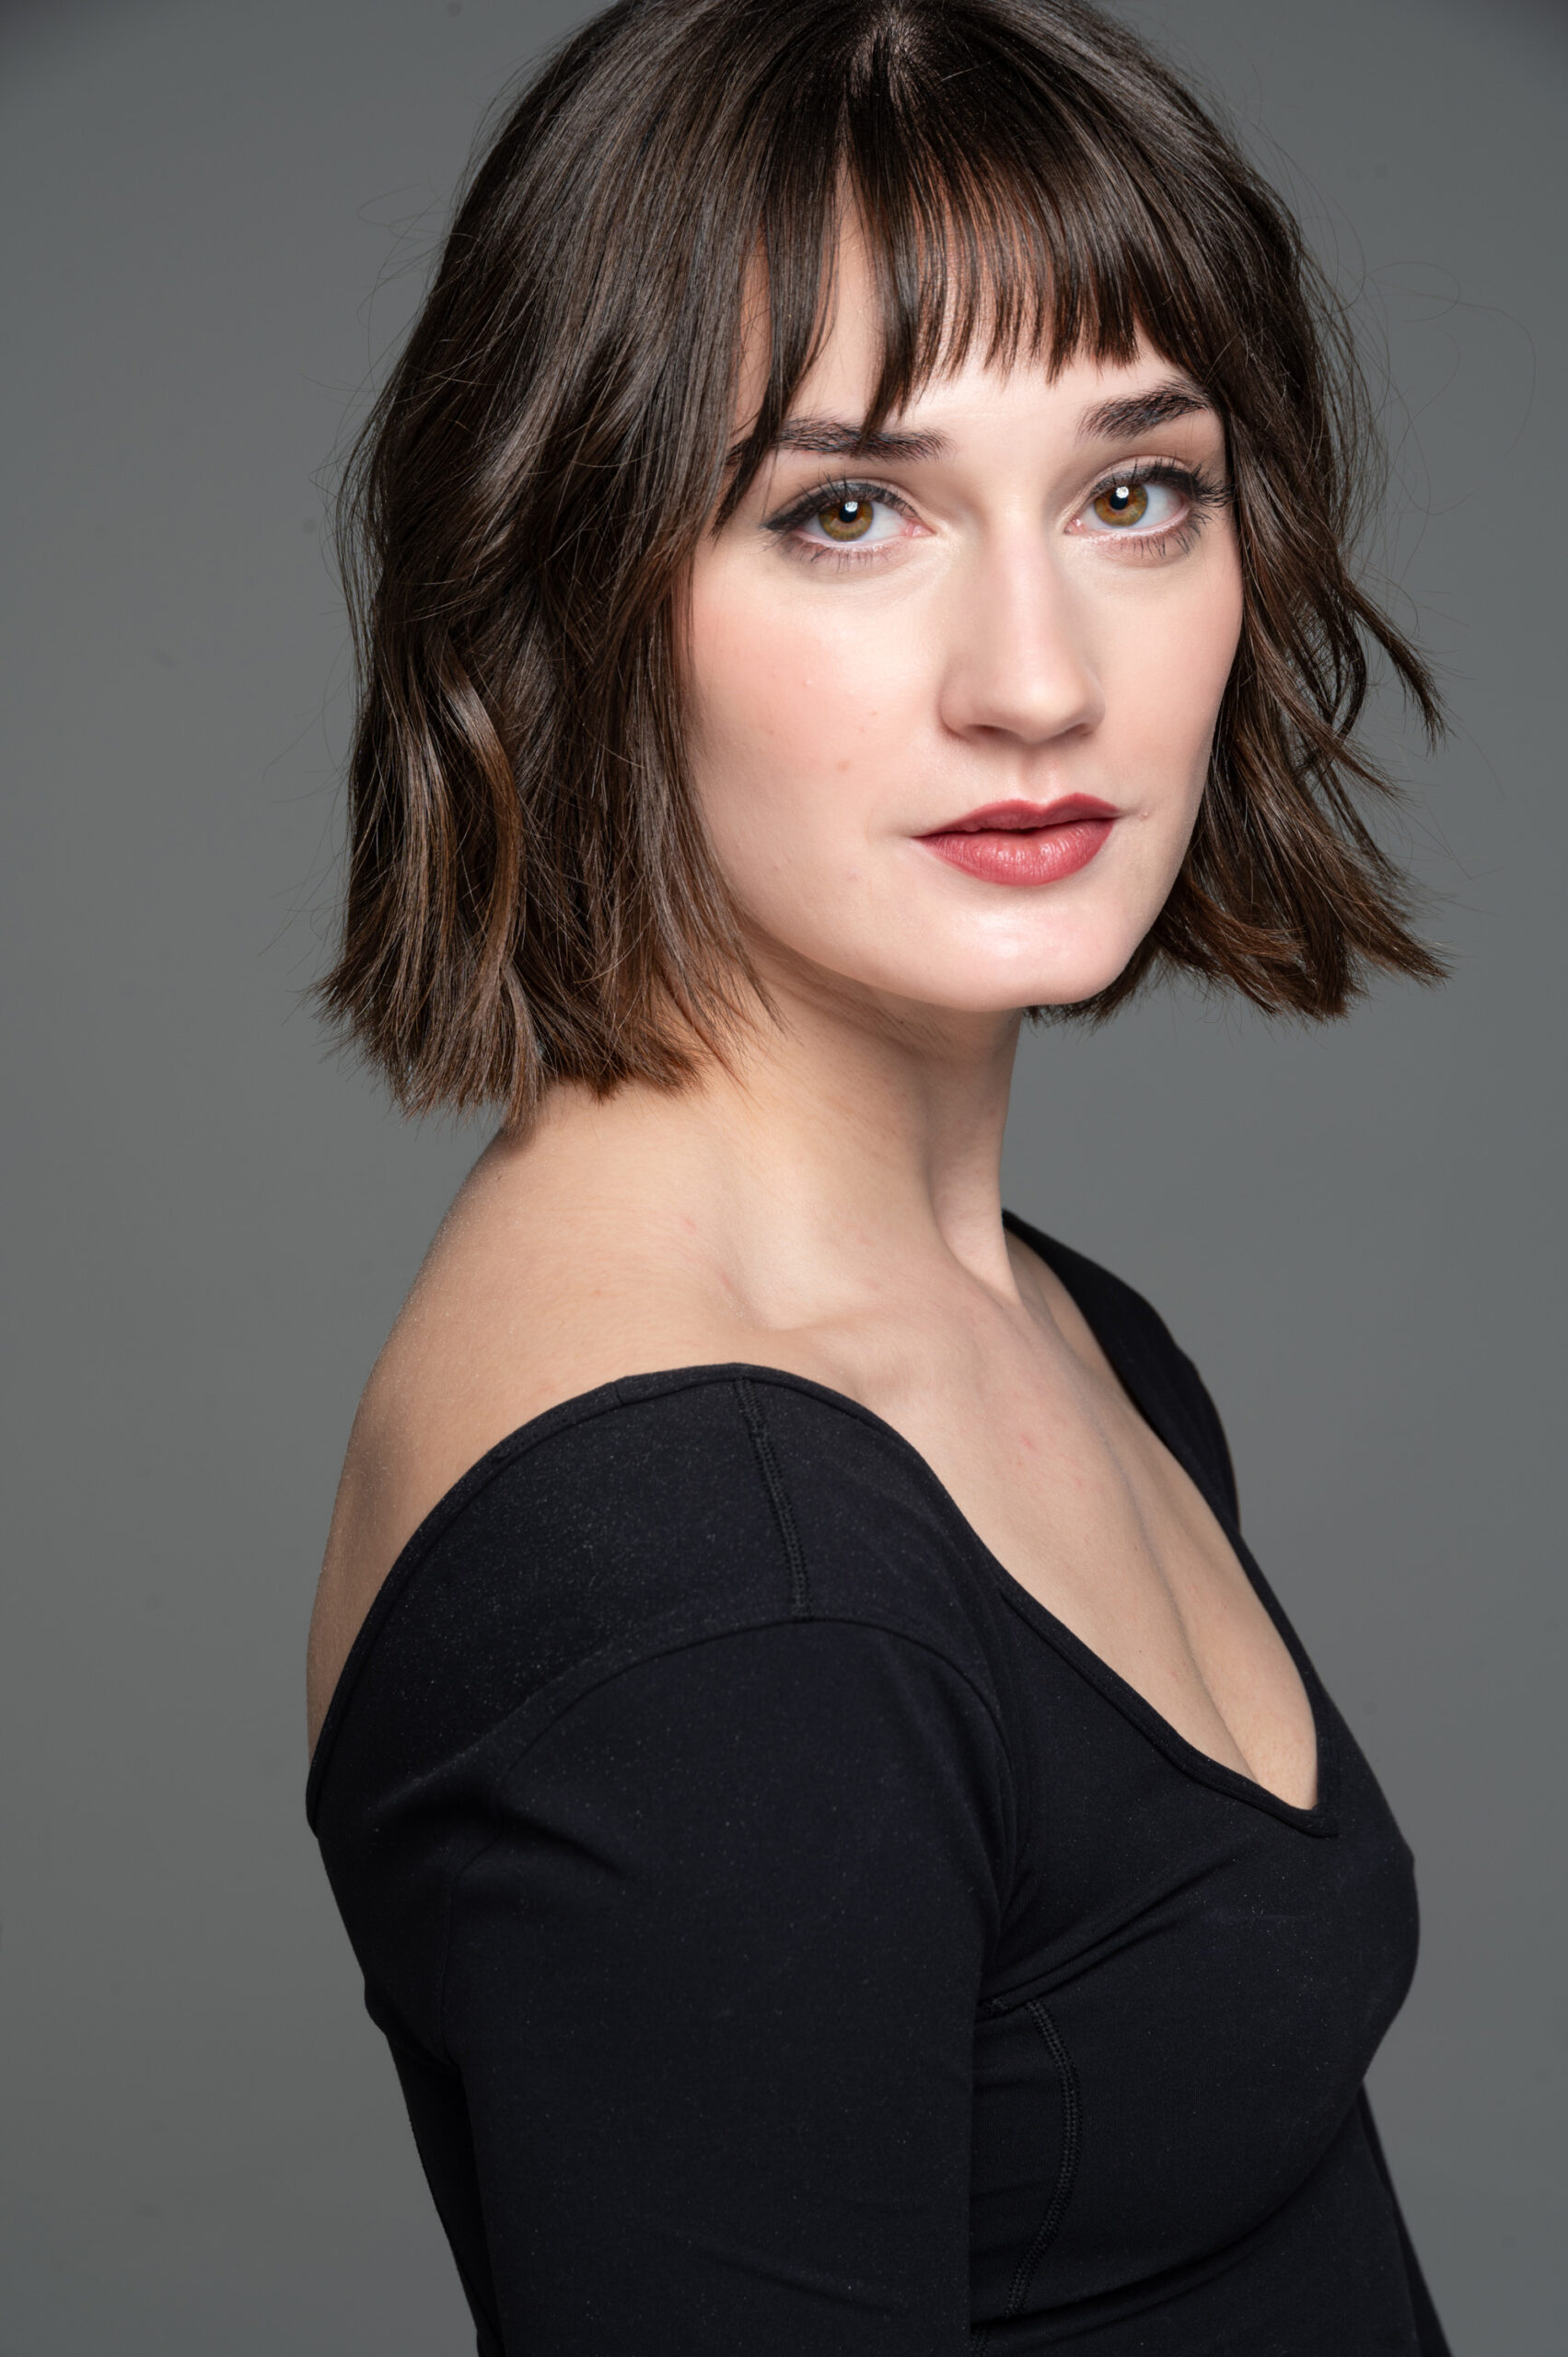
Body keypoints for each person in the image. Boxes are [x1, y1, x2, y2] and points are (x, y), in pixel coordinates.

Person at [305, 1, 1454, 2348]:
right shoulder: (724, 1595)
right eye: (848, 510)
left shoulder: (1043, 1318)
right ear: (571, 572)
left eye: (1136, 492)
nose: (1038, 677)